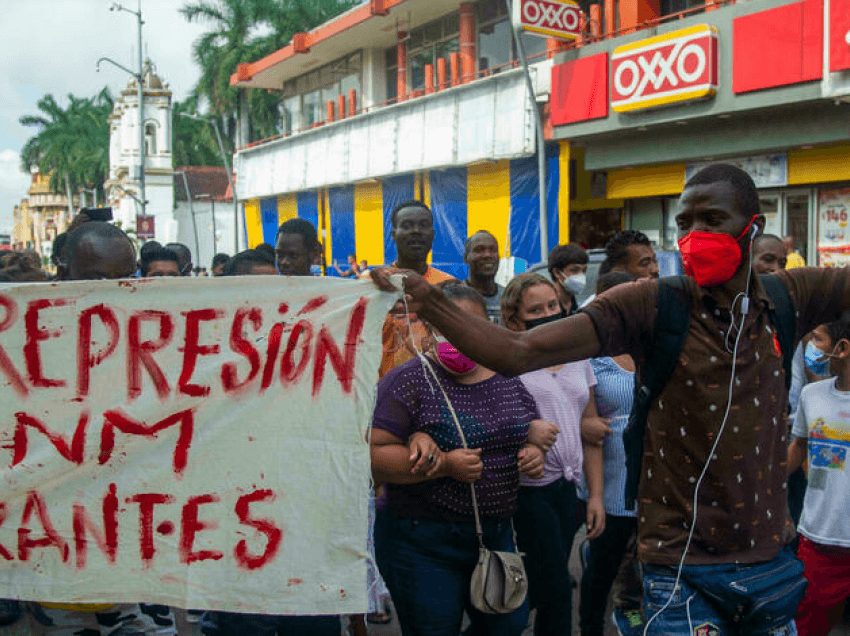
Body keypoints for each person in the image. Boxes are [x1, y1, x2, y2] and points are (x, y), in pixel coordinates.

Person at [371, 163, 850, 636]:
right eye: (684, 223)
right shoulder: (650, 303)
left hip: (769, 559)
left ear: (754, 226)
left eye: (712, 221)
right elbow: (518, 352)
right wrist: (430, 302)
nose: (695, 235)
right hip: (679, 565)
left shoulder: (791, 296)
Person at [372, 283, 554, 636]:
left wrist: (533, 453)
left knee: (508, 625)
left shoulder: (507, 375)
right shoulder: (407, 380)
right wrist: (442, 465)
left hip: (495, 536)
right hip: (422, 541)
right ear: (427, 330)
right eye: (445, 327)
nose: (457, 337)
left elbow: (520, 434)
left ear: (487, 329)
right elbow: (373, 456)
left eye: (467, 326)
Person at [201, 219, 341, 636]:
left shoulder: (329, 313)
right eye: (279, 255)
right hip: (239, 504)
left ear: (315, 256)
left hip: (306, 495)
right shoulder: (212, 341)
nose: (282, 265)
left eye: (289, 257)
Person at [39, 221, 177, 635]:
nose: (114, 288)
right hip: (61, 549)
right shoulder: (27, 334)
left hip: (142, 544)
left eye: (124, 277)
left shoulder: (161, 329)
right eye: (97, 277)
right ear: (63, 268)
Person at [502, 272, 605, 636]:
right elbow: (496, 423)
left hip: (569, 489)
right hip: (529, 490)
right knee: (558, 590)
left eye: (553, 305)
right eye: (536, 309)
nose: (548, 313)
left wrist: (595, 496)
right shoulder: (510, 362)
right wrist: (524, 442)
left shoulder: (579, 357)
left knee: (544, 586)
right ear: (515, 319)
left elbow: (591, 429)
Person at [576, 271, 643, 636]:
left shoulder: (656, 346)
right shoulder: (590, 356)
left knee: (645, 569)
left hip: (656, 482)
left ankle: (633, 620)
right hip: (612, 481)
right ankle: (590, 628)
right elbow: (586, 427)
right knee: (603, 566)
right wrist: (596, 497)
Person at [788, 312, 850, 636]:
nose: (810, 347)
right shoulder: (812, 396)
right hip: (819, 542)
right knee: (806, 627)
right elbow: (798, 445)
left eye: (816, 339)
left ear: (841, 348)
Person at [372, 200, 454, 377]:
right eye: (407, 225)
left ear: (432, 234)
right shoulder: (372, 286)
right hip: (384, 393)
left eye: (423, 225)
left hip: (440, 393)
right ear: (393, 234)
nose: (416, 231)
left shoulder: (451, 286)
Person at [463, 231, 504, 323]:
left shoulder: (510, 298)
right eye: (479, 250)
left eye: (493, 250)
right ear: (466, 258)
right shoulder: (454, 298)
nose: (487, 255)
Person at [548, 243, 589, 314]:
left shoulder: (578, 306)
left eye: (584, 271)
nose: (581, 275)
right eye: (575, 270)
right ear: (557, 273)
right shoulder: (548, 309)